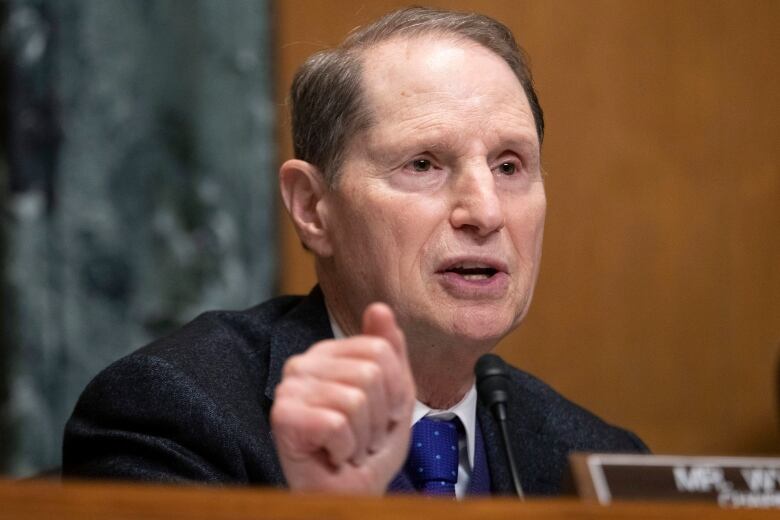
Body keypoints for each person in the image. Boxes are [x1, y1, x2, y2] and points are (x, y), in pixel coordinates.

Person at [62, 7, 647, 497]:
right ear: (313, 208)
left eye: (510, 166)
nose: (487, 212)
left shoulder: (596, 461)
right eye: (423, 164)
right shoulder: (173, 415)